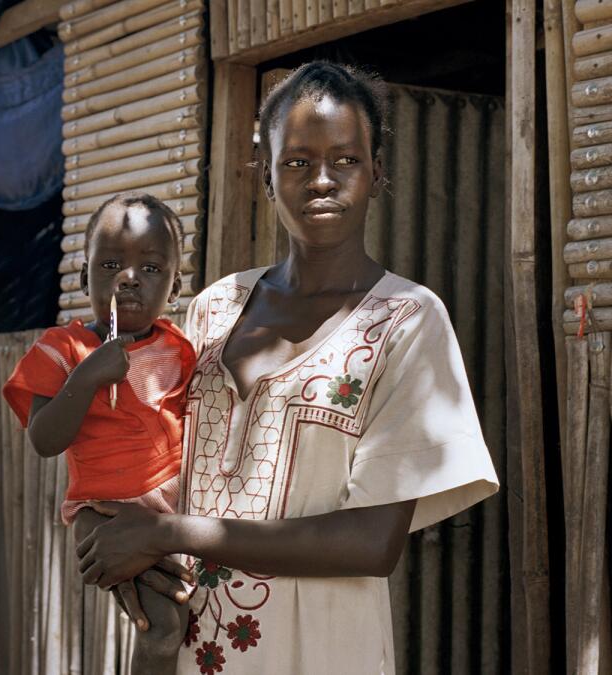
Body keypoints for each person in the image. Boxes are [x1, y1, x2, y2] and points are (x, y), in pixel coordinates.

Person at [75, 61, 500, 674]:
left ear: (377, 172)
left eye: (346, 160)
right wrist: (107, 528)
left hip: (325, 654)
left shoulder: (407, 321)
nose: (321, 180)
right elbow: (142, 460)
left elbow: (372, 543)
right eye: (297, 162)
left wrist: (168, 535)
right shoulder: (213, 310)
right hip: (192, 652)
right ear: (266, 178)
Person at [2, 192, 197, 673]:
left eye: (151, 269)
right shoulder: (61, 348)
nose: (129, 278)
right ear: (83, 275)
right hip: (105, 514)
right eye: (110, 264)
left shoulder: (180, 348)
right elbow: (45, 440)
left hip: (174, 513)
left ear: (174, 288)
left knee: (192, 621)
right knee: (164, 631)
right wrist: (86, 377)